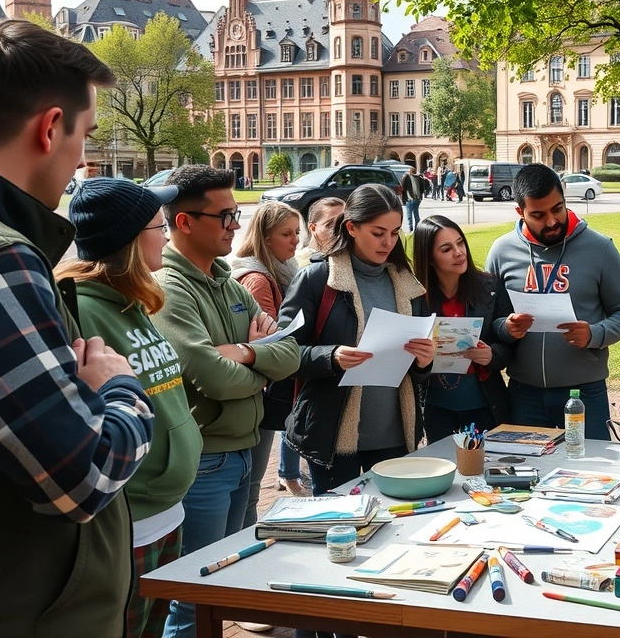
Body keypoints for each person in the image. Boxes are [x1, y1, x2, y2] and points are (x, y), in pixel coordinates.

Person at [0, 19, 153, 636]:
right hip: (4, 611)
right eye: (85, 135)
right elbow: (80, 477)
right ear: (49, 128)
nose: (83, 159)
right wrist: (119, 388)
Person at [152, 165, 300, 638]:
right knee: (194, 600)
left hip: (240, 452)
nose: (237, 226)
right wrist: (260, 363)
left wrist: (246, 352)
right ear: (184, 222)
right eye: (226, 216)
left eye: (237, 214)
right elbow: (210, 378)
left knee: (224, 583)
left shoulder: (228, 281)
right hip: (205, 462)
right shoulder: (170, 289)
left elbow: (290, 353)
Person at [58, 178, 201, 638]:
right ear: (130, 241)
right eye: (158, 227)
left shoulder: (133, 301)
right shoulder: (80, 310)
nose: (165, 236)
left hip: (168, 511)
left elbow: (164, 390)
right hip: (127, 521)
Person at [278, 184, 436, 496]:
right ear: (351, 227)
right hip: (334, 437)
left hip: (395, 436)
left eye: (394, 232)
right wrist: (331, 356)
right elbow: (283, 352)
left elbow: (417, 371)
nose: (388, 242)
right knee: (341, 529)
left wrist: (424, 362)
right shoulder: (316, 279)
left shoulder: (408, 282)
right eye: (378, 233)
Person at [487, 164, 620, 438]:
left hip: (584, 392)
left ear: (565, 197)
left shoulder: (600, 248)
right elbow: (490, 317)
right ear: (520, 212)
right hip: (524, 393)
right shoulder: (502, 251)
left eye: (557, 208)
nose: (551, 221)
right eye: (538, 214)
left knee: (591, 472)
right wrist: (505, 327)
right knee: (526, 473)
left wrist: (595, 334)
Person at [231, 202, 305, 511]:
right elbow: (270, 343)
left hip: (260, 392)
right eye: (286, 234)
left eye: (297, 233)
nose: (295, 241)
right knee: (248, 493)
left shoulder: (283, 271)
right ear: (264, 237)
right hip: (259, 394)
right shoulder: (259, 279)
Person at [413, 215, 512, 440]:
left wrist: (492, 355)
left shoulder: (490, 287)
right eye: (446, 249)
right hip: (435, 407)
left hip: (486, 403)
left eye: (460, 243)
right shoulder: (414, 297)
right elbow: (405, 362)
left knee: (483, 467)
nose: (459, 252)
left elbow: (511, 345)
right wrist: (421, 363)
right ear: (428, 257)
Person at [296, 197, 346, 267]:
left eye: (343, 223)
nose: (340, 229)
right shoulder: (300, 263)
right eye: (330, 225)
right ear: (312, 228)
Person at [402, 165, 426, 232]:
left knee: (416, 216)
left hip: (416, 199)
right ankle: (411, 228)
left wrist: (421, 197)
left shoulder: (418, 178)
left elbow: (422, 187)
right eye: (412, 171)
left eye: (414, 171)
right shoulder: (407, 177)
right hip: (409, 199)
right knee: (409, 215)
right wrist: (404, 198)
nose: (413, 173)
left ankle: (417, 229)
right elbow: (403, 188)